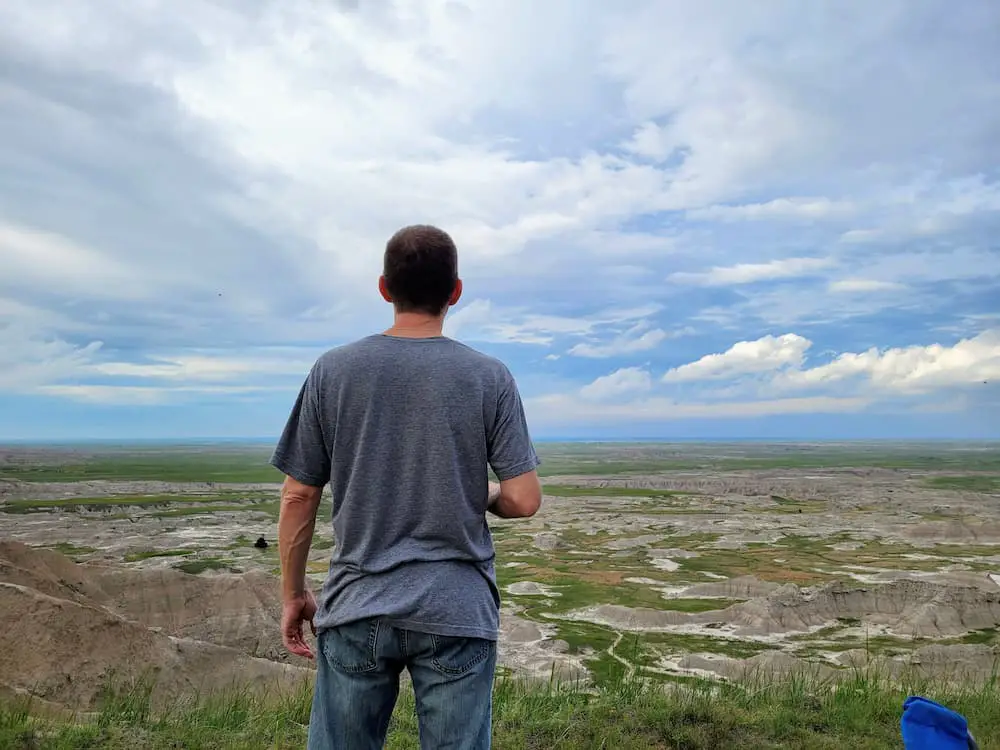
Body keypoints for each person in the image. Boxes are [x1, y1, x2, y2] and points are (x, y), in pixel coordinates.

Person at [270, 224, 542, 750]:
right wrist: (475, 493)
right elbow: (523, 500)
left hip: (356, 602)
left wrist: (293, 594)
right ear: (455, 292)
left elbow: (299, 495)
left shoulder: (333, 371)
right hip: (457, 609)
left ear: (383, 288)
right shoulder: (490, 377)